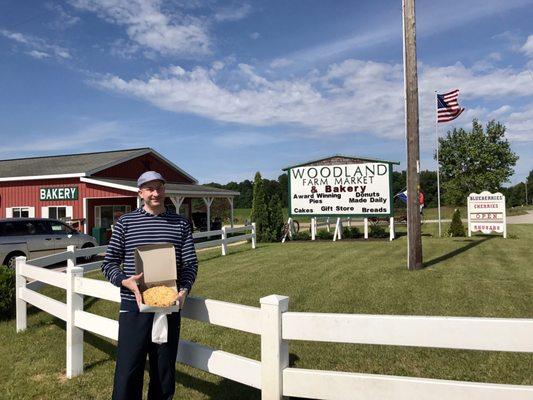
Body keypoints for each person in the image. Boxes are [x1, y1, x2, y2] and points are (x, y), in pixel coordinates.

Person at [101, 171, 198, 400]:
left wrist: (184, 290)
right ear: (140, 193)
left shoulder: (180, 224)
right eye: (149, 188)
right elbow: (109, 263)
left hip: (168, 306)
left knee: (163, 371)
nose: (155, 193)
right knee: (128, 370)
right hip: (133, 306)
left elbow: (190, 264)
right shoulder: (125, 223)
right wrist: (125, 281)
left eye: (159, 188)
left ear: (164, 190)